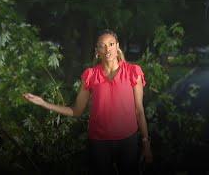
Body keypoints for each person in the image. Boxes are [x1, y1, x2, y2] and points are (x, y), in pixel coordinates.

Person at [23, 29, 152, 174]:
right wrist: (44, 103)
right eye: (102, 45)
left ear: (117, 46)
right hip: (99, 143)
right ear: (97, 51)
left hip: (128, 141)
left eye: (111, 44)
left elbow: (139, 110)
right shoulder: (90, 75)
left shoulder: (132, 72)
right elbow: (76, 111)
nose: (107, 49)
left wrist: (145, 142)